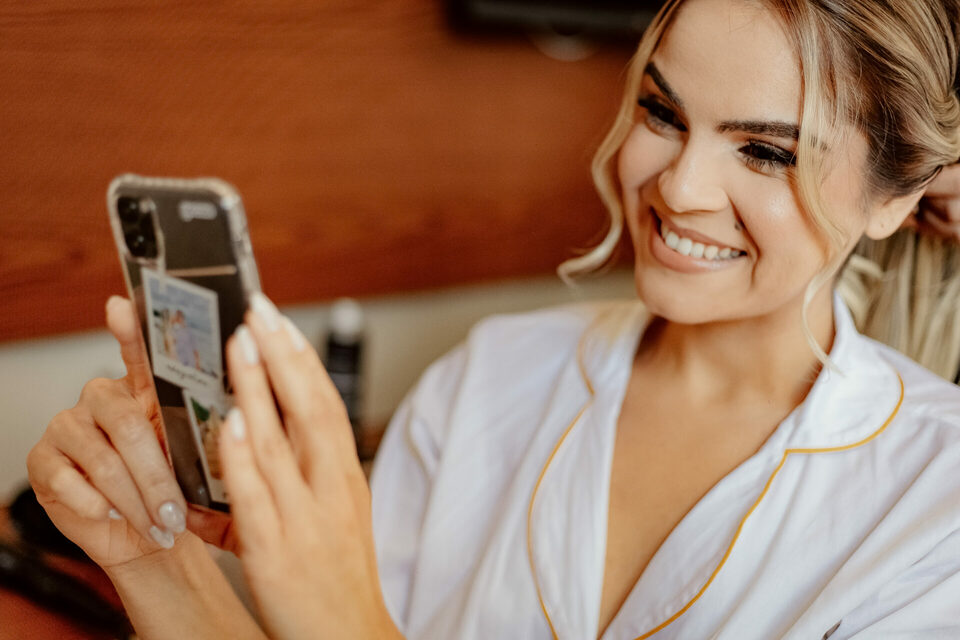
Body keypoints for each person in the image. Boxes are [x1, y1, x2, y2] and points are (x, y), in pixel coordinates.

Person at [24, 0, 960, 638]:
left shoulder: (935, 509)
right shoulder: (490, 377)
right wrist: (157, 566)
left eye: (765, 151)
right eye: (662, 112)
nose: (679, 187)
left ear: (896, 196)